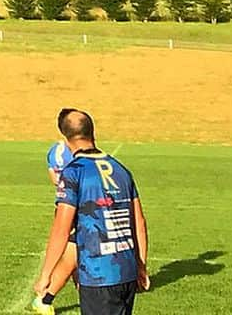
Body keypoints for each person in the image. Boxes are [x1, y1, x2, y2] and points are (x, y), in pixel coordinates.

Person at [35, 109, 148, 315]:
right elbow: (139, 222)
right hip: (127, 271)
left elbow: (61, 229)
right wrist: (141, 265)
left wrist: (46, 275)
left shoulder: (73, 172)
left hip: (99, 275)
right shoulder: (121, 170)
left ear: (66, 139)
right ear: (92, 132)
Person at [32, 125, 79, 312]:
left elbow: (54, 178)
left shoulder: (54, 151)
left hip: (63, 204)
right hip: (77, 206)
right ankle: (45, 297)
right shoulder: (76, 152)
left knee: (75, 251)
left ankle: (80, 289)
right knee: (73, 251)